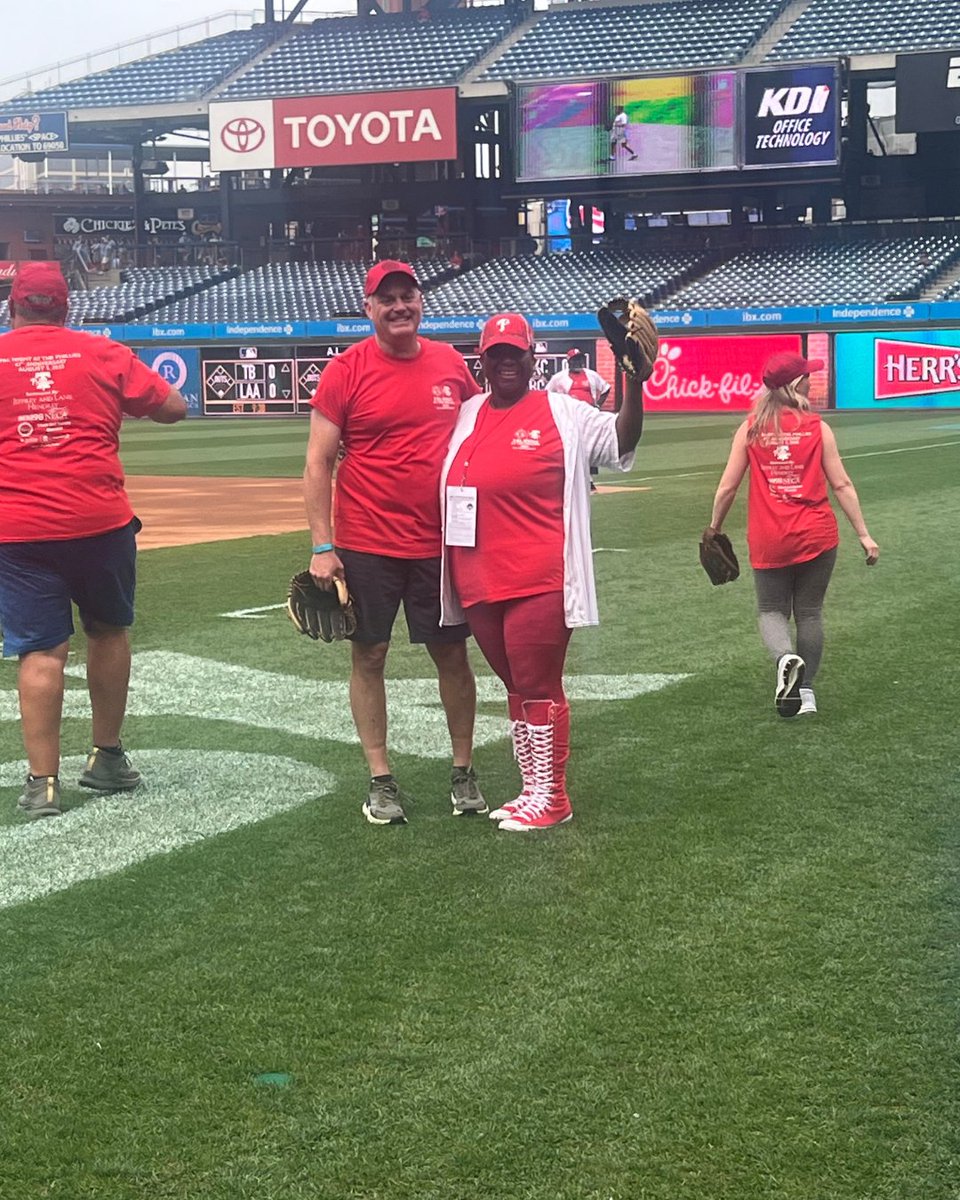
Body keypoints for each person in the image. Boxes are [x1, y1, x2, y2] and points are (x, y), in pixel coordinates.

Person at [438, 313, 645, 832]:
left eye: (516, 353)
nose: (506, 361)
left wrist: (633, 382)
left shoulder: (563, 412)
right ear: (481, 362)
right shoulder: (466, 412)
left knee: (538, 684)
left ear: (534, 358)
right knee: (514, 685)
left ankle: (553, 796)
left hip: (539, 577)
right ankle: (531, 790)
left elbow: (620, 441)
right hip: (477, 577)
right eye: (496, 354)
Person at [0, 263, 187, 818]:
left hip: (18, 528)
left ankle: (42, 784)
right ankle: (106, 758)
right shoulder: (102, 352)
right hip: (99, 521)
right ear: (65, 307)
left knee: (40, 650)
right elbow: (174, 408)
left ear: (13, 306)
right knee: (107, 631)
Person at [304, 259, 486, 826]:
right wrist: (320, 545)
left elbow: (480, 435)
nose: (399, 306)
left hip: (439, 543)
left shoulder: (449, 364)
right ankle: (381, 779)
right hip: (367, 542)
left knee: (451, 653)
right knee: (370, 654)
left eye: (407, 295)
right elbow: (317, 461)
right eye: (387, 299)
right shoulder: (346, 370)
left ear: (420, 301)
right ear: (370, 309)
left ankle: (463, 770)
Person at [706, 350, 879, 718]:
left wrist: (714, 527)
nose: (811, 380)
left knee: (771, 610)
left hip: (770, 536)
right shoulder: (818, 427)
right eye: (807, 376)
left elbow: (727, 487)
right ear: (794, 384)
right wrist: (864, 534)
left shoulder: (751, 427)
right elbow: (842, 484)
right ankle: (807, 692)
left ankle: (786, 658)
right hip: (817, 535)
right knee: (810, 613)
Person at [547, 349, 612, 491]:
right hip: (569, 416)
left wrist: (598, 405)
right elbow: (547, 393)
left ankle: (588, 480)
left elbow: (606, 388)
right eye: (575, 360)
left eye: (579, 359)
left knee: (588, 446)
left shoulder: (591, 375)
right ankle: (582, 480)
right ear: (569, 362)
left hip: (588, 416)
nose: (578, 362)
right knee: (574, 447)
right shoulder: (560, 378)